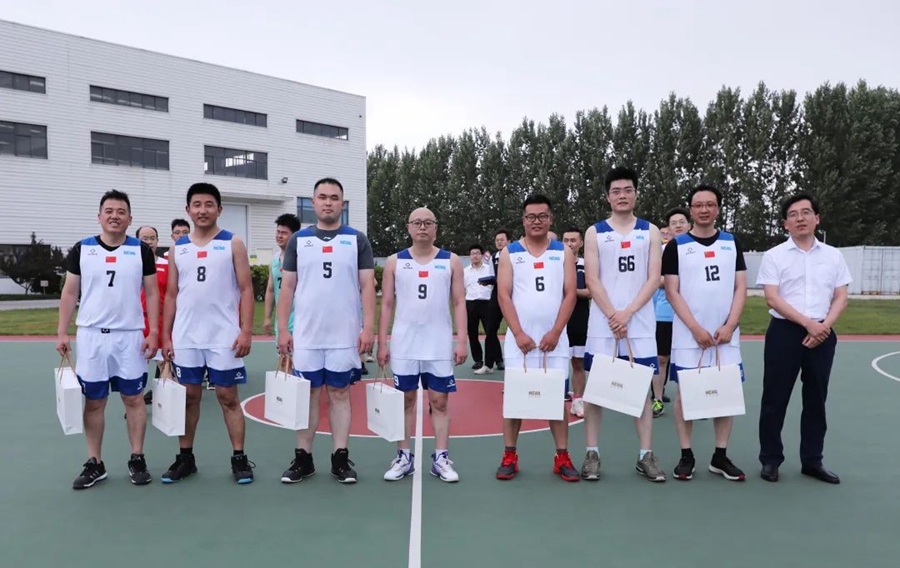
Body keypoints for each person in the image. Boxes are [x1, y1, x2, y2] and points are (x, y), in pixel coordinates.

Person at [56, 190, 159, 489]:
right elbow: (70, 292)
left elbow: (152, 292)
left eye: (121, 211)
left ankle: (137, 457)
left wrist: (153, 331)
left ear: (130, 218)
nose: (115, 216)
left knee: (134, 399)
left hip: (130, 336)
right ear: (99, 216)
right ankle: (95, 462)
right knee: (94, 401)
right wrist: (62, 331)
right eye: (109, 211)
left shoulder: (141, 250)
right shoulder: (82, 249)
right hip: (92, 336)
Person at [277, 178, 377, 484]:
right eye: (322, 197)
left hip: (344, 335)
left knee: (340, 394)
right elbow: (287, 287)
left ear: (342, 204)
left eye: (334, 197)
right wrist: (282, 329)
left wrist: (368, 327)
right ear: (313, 202)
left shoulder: (356, 239)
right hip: (307, 335)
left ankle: (340, 458)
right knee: (307, 395)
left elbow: (367, 285)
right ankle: (303, 458)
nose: (328, 202)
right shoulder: (298, 241)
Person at [160, 183, 256, 484]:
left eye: (209, 204)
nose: (203, 210)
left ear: (219, 209)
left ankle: (239, 458)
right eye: (197, 205)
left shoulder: (233, 243)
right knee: (189, 397)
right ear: (188, 210)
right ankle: (185, 458)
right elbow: (171, 295)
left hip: (223, 336)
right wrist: (166, 336)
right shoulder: (178, 247)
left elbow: (246, 289)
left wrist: (246, 331)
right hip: (186, 337)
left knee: (228, 397)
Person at [756, 193, 850, 484]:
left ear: (816, 218)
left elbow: (841, 296)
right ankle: (771, 459)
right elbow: (772, 298)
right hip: (785, 332)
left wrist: (823, 327)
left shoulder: (834, 256)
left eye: (806, 212)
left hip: (823, 333)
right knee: (775, 398)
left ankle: (812, 460)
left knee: (816, 399)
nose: (800, 218)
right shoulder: (774, 256)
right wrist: (809, 324)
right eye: (793, 214)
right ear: (785, 223)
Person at [581, 167, 666, 482]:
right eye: (616, 191)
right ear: (607, 196)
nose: (622, 195)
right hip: (602, 324)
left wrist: (627, 313)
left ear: (636, 194)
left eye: (627, 190)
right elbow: (592, 279)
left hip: (638, 323)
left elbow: (654, 278)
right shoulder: (595, 232)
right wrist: (613, 315)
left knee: (641, 390)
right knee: (595, 390)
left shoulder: (650, 231)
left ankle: (646, 455)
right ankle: (592, 453)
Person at [378, 207, 468, 482]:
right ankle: (403, 457)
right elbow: (387, 304)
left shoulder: (451, 260)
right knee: (405, 400)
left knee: (439, 401)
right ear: (408, 227)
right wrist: (382, 342)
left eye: (428, 223)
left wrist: (462, 340)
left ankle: (441, 458)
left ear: (436, 228)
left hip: (438, 344)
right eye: (417, 222)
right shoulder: (395, 261)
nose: (422, 227)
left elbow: (459, 302)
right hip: (404, 344)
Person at [664, 184, 747, 482]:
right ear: (690, 209)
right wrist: (695, 328)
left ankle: (720, 456)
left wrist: (730, 324)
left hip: (725, 336)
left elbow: (740, 287)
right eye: (698, 205)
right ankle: (686, 454)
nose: (704, 210)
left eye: (710, 204)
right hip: (690, 337)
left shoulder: (731, 242)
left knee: (725, 394)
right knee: (686, 395)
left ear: (718, 209)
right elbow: (672, 292)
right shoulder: (676, 246)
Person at [495, 194, 578, 482]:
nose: (537, 221)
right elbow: (503, 295)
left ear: (551, 219)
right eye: (531, 217)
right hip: (520, 342)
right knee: (514, 400)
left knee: (556, 400)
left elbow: (570, 294)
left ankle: (562, 456)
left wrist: (556, 331)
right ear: (523, 220)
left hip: (555, 341)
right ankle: (509, 455)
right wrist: (518, 332)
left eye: (542, 216)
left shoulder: (563, 252)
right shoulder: (510, 253)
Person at [650, 208, 691, 417]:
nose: (678, 225)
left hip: (692, 313)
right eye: (673, 223)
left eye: (681, 221)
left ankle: (693, 399)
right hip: (666, 313)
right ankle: (657, 400)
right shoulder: (662, 251)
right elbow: (655, 280)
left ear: (689, 225)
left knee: (691, 357)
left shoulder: (696, 248)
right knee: (661, 358)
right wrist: (677, 281)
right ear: (669, 228)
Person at [136, 225, 168, 405]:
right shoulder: (130, 263)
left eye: (152, 238)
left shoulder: (166, 265)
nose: (149, 242)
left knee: (164, 365)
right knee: (136, 369)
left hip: (160, 322)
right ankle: (135, 406)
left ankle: (165, 405)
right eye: (144, 238)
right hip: (136, 323)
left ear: (157, 241)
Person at [562, 227, 589, 418]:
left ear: (581, 243)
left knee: (578, 363)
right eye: (566, 240)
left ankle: (578, 401)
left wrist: (571, 291)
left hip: (579, 320)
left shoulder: (587, 265)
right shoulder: (555, 263)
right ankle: (548, 398)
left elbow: (590, 292)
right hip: (558, 321)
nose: (570, 244)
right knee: (557, 363)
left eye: (573, 240)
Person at [264, 213, 302, 343]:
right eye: (278, 232)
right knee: (283, 354)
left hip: (300, 319)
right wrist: (267, 317)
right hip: (281, 320)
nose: (279, 236)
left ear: (294, 235)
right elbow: (270, 290)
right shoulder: (274, 260)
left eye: (284, 233)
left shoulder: (302, 259)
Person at [477, 229, 511, 374]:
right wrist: (488, 281)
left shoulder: (516, 255)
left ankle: (519, 364)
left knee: (518, 329)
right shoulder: (494, 257)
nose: (499, 242)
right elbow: (492, 276)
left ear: (509, 241)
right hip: (497, 294)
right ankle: (488, 365)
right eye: (497, 240)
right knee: (490, 330)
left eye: (502, 240)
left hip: (514, 294)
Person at [464, 244, 493, 371]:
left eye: (477, 253)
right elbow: (462, 288)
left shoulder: (489, 269)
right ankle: (478, 360)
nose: (475, 256)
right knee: (472, 333)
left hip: (487, 303)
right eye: (472, 254)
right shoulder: (465, 271)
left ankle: (496, 359)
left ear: (482, 255)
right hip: (471, 303)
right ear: (469, 256)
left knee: (491, 332)